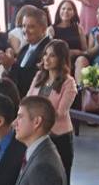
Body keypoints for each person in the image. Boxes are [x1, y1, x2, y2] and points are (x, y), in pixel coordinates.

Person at [29, 39, 79, 173]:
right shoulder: (39, 76)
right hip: (37, 135)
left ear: (61, 59)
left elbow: (60, 113)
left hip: (59, 137)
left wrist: (37, 117)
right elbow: (28, 100)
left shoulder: (69, 82)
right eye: (45, 54)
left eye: (52, 55)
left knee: (61, 177)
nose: (46, 58)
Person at [9, 5, 51, 92]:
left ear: (43, 29)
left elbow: (34, 79)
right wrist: (7, 67)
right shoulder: (24, 49)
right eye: (24, 26)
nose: (25, 30)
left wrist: (10, 65)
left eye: (31, 27)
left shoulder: (50, 49)